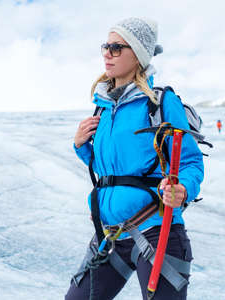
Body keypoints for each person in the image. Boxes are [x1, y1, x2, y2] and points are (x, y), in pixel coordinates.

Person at [66, 17, 204, 300]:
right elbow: (112, 172)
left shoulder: (160, 102)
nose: (107, 53)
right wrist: (81, 145)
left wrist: (183, 190)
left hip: (156, 231)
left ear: (138, 54)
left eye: (117, 47)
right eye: (106, 46)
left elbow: (190, 162)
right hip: (111, 235)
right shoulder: (102, 108)